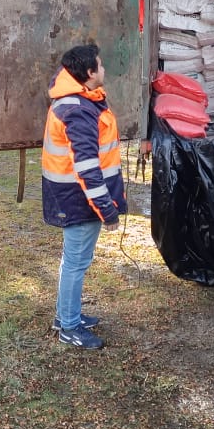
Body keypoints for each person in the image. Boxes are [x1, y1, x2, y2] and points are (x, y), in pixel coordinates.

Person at [41, 44, 126, 350]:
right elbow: (88, 168)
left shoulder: (79, 101)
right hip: (78, 198)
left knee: (74, 261)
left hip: (72, 196)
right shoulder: (78, 111)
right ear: (89, 74)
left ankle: (66, 315)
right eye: (100, 66)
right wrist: (107, 209)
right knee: (76, 263)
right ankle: (69, 327)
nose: (104, 70)